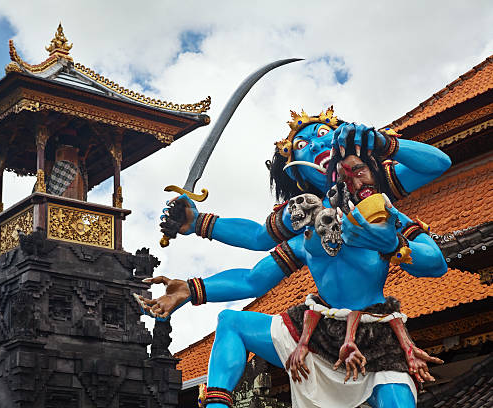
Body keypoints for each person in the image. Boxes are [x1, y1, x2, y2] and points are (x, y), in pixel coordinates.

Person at [138, 107, 451, 408]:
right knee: (231, 322)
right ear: (298, 172)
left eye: (324, 134)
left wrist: (392, 241)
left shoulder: (381, 208)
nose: (316, 143)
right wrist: (194, 258)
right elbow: (255, 266)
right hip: (315, 330)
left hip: (374, 332)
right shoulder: (303, 224)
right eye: (303, 145)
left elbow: (435, 252)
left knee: (397, 400)